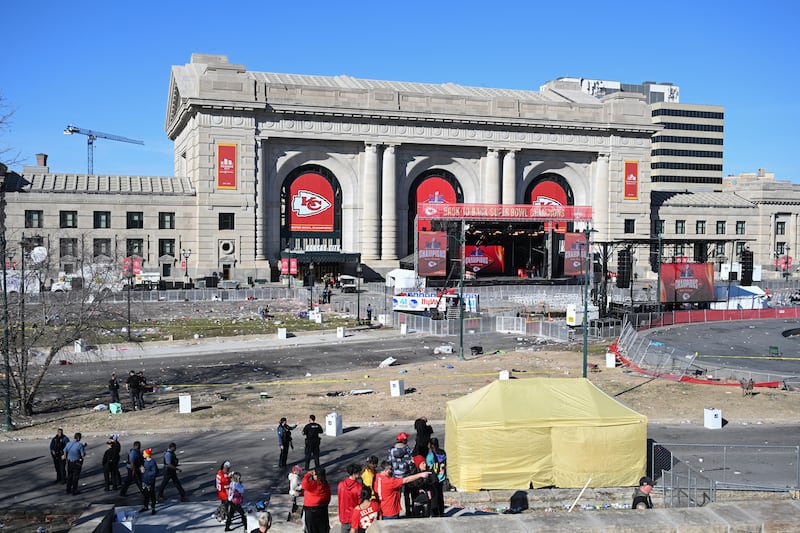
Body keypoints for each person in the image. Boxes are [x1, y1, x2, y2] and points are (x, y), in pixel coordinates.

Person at [387, 432, 414, 516]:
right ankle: (408, 512)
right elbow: (411, 462)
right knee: (407, 494)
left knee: (396, 495)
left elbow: (389, 462)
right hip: (406, 475)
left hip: (396, 476)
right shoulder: (407, 449)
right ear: (404, 440)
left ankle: (397, 512)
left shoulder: (391, 450)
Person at [301, 466, 331, 533]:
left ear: (316, 476)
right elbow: (328, 497)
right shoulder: (325, 484)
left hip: (311, 510)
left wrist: (308, 474)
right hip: (322, 509)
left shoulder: (313, 484)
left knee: (311, 529)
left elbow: (304, 483)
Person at [337, 464, 363, 533]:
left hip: (343, 516)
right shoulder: (359, 487)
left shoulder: (341, 485)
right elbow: (360, 503)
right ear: (355, 473)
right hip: (355, 517)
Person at [425, 437, 447, 517]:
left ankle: (435, 513)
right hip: (441, 477)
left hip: (434, 478)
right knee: (440, 495)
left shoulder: (430, 456)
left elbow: (429, 466)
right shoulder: (443, 453)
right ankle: (441, 511)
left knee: (434, 496)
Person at [140, 448, 159, 515]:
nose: (143, 455)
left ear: (147, 455)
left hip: (150, 481)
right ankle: (145, 506)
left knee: (151, 494)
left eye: (143, 454)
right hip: (144, 480)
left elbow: (155, 472)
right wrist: (142, 471)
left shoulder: (152, 462)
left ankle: (153, 508)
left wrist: (145, 472)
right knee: (145, 495)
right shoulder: (144, 461)